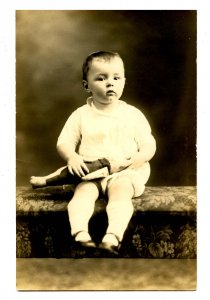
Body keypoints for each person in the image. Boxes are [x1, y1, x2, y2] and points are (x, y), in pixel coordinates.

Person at [30, 51, 156, 255]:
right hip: (91, 171)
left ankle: (112, 238)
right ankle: (80, 236)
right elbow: (64, 142)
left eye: (116, 78)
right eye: (101, 78)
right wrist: (72, 156)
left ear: (124, 81)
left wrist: (141, 157)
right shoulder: (81, 115)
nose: (110, 83)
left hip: (124, 171)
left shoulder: (132, 114)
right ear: (86, 85)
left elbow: (149, 143)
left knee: (121, 194)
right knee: (82, 195)